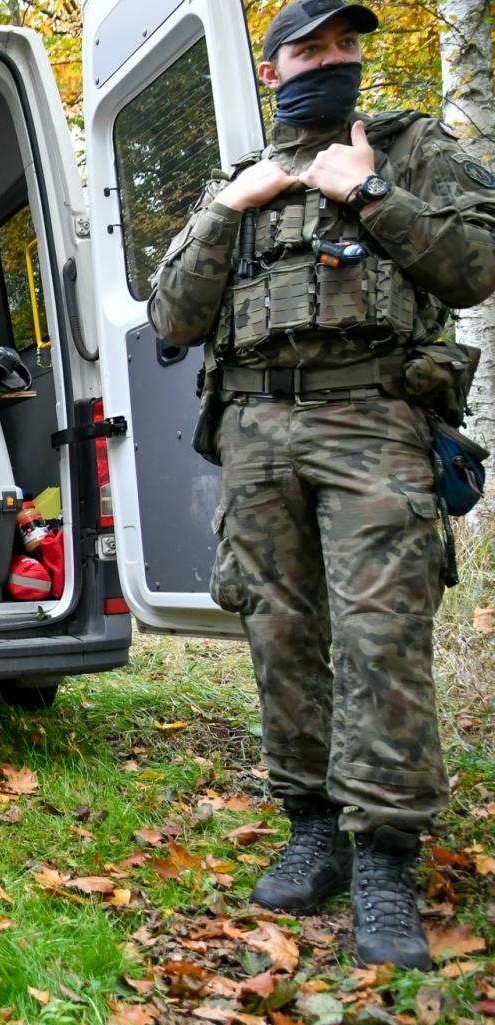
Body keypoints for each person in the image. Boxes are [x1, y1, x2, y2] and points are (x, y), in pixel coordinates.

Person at [149, 0, 495, 969]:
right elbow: (170, 314)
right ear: (272, 70)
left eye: (345, 45)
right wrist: (231, 209)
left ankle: (384, 859)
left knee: (382, 633)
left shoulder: (408, 148)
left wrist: (371, 191)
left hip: (374, 421)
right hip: (256, 431)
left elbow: (476, 266)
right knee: (279, 628)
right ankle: (310, 827)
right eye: (309, 47)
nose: (330, 60)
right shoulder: (236, 180)